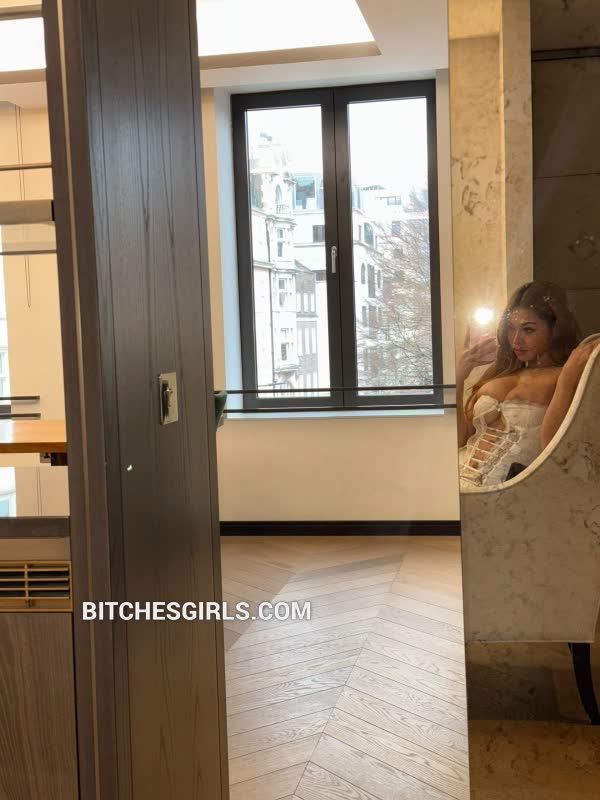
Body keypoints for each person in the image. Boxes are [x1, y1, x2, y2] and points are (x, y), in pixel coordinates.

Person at [457, 280, 598, 489]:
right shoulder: (500, 372)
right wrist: (459, 378)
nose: (516, 340)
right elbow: (460, 440)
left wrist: (568, 377)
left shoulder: (569, 375)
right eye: (510, 329)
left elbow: (555, 450)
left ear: (554, 330)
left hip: (509, 498)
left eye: (528, 330)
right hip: (456, 484)